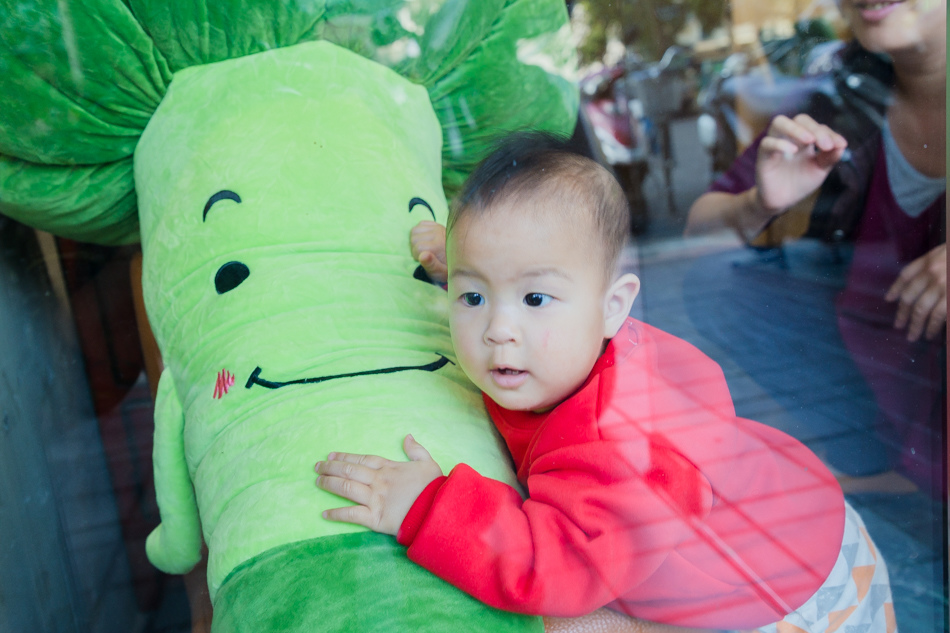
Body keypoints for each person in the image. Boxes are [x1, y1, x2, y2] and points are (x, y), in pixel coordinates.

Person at [314, 133, 893, 631]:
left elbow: (556, 564)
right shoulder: (575, 341)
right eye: (473, 295)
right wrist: (464, 261)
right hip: (789, 509)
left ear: (613, 308)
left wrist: (427, 507)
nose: (498, 329)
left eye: (535, 297)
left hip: (793, 591)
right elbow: (523, 275)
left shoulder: (617, 440)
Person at [684, 0, 946, 495]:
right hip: (883, 356)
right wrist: (758, 204)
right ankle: (886, 467)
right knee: (716, 283)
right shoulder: (842, 94)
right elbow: (698, 231)